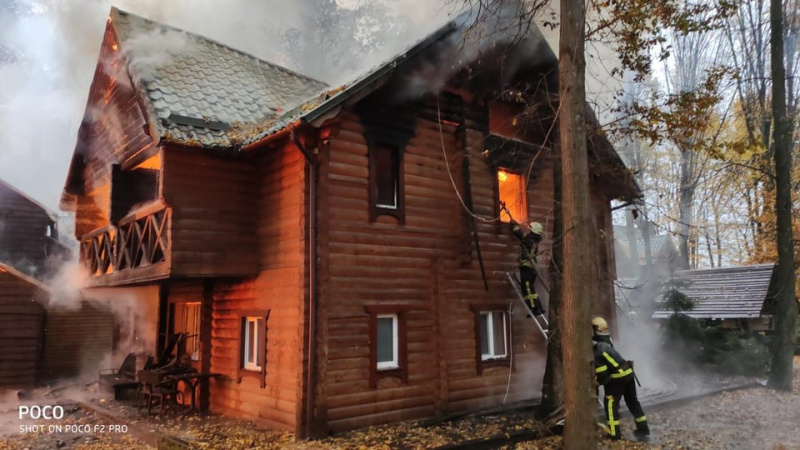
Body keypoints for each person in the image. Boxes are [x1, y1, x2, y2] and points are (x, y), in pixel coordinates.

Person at [592, 316, 650, 440]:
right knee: (633, 401)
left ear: (594, 330)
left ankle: (614, 434)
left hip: (617, 378)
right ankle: (643, 429)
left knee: (610, 404)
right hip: (629, 373)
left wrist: (595, 383)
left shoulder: (597, 349)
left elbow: (602, 374)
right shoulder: (608, 341)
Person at [511, 219, 545, 316]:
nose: (528, 231)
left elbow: (519, 234)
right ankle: (539, 308)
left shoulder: (530, 240)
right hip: (529, 268)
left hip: (527, 267)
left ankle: (535, 309)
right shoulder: (534, 240)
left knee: (527, 289)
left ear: (533, 232)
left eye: (530, 230)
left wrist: (514, 225)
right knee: (529, 288)